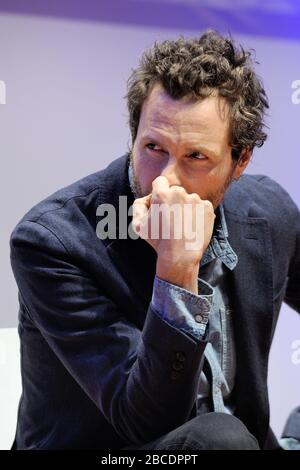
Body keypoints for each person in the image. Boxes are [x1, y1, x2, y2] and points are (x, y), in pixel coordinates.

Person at [10, 30, 299, 450]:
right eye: (152, 147)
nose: (165, 180)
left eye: (196, 157)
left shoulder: (268, 211)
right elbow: (143, 422)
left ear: (241, 160)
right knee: (219, 439)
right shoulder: (54, 242)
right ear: (133, 137)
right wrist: (177, 269)